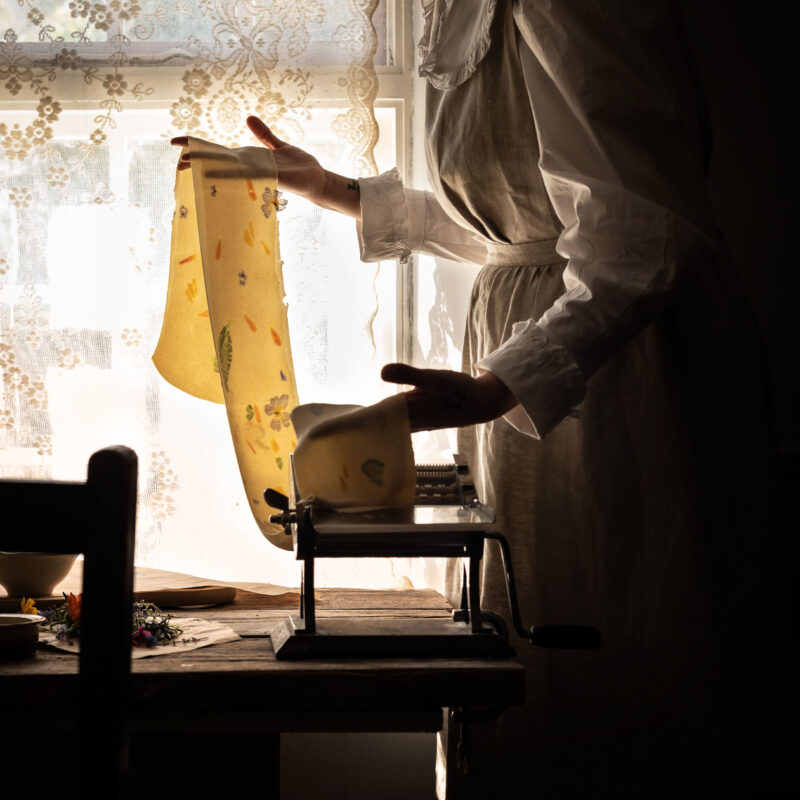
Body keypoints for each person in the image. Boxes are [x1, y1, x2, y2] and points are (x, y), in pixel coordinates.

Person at [176, 1, 773, 796]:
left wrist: (501, 385)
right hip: (543, 349)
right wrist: (334, 188)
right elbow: (518, 226)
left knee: (609, 647)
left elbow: (638, 237)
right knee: (530, 655)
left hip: (620, 372)